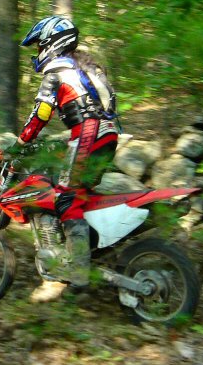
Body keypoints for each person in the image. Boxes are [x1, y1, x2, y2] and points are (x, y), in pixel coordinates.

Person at [8, 15, 120, 291]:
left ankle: (79, 270)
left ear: (51, 43)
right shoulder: (85, 67)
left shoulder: (56, 73)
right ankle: (86, 252)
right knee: (79, 196)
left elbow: (41, 114)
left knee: (66, 201)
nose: (37, 53)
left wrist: (21, 143)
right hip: (107, 133)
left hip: (88, 133)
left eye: (38, 46)